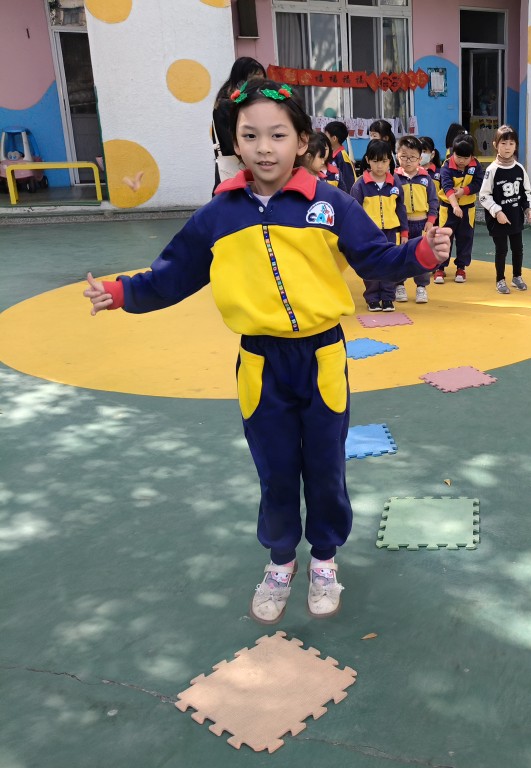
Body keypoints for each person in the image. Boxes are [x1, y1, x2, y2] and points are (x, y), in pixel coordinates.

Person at [83, 78, 451, 624]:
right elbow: (172, 275)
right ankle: (281, 562)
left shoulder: (329, 202)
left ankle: (323, 559)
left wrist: (421, 252)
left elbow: (374, 256)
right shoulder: (218, 215)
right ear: (234, 142)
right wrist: (121, 293)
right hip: (259, 363)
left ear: (302, 141)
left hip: (323, 359)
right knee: (275, 469)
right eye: (250, 135)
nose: (264, 147)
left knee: (325, 467)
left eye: (278, 135)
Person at [349, 139, 409, 311]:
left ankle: (388, 297)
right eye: (375, 161)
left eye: (384, 161)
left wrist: (404, 232)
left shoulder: (395, 182)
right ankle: (372, 298)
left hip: (390, 233)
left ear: (390, 160)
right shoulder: (360, 185)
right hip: (368, 235)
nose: (380, 166)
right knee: (370, 265)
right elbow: (353, 212)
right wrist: (356, 235)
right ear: (367, 160)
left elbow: (401, 209)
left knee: (390, 264)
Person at [478, 125, 531, 294]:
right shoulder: (492, 170)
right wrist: (497, 211)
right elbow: (484, 196)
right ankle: (500, 280)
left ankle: (517, 276)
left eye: (511, 143)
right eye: (503, 143)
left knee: (518, 248)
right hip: (498, 220)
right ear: (496, 145)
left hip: (516, 217)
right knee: (501, 250)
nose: (507, 147)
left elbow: (525, 192)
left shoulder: (519, 168)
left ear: (516, 146)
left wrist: (528, 209)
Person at [394, 135, 439, 304]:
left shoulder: (426, 178)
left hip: (421, 223)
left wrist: (431, 220)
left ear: (420, 159)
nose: (408, 161)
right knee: (401, 255)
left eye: (412, 157)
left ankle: (421, 286)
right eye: (403, 157)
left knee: (422, 255)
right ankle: (399, 285)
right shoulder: (394, 178)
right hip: (401, 224)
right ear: (397, 156)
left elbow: (433, 200)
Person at [211, 56, 266, 193]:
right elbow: (232, 143)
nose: (259, 85)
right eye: (255, 79)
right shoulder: (226, 105)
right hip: (235, 167)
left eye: (262, 79)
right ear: (241, 80)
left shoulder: (251, 103)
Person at [435, 133, 482, 284]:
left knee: (465, 238)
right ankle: (440, 268)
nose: (461, 161)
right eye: (458, 156)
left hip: (467, 209)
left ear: (472, 156)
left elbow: (478, 183)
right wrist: (455, 205)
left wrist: (464, 191)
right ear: (453, 153)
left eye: (465, 158)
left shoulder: (476, 166)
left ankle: (461, 268)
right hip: (448, 208)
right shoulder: (446, 166)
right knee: (444, 238)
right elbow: (447, 186)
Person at [323, 121, 356, 193]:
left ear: (334, 138)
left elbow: (348, 183)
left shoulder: (343, 157)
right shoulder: (330, 155)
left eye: (326, 136)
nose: (324, 138)